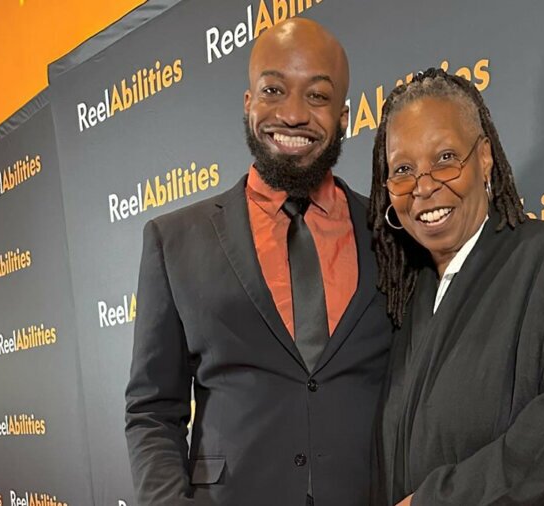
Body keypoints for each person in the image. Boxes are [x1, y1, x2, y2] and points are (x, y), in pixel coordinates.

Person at [124, 18, 391, 506]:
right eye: (273, 89)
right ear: (248, 104)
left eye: (317, 96)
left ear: (345, 116)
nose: (292, 115)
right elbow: (151, 409)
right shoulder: (174, 239)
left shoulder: (390, 233)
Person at [369, 68, 544, 506]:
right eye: (403, 169)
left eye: (445, 158)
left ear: (485, 157)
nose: (424, 186)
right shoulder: (410, 297)